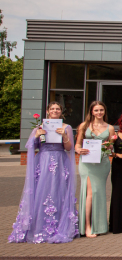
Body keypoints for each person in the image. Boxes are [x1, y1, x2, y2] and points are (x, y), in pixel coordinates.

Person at [9, 102, 79, 243]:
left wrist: (64, 136)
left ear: (61, 112)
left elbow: (69, 147)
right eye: (52, 109)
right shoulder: (40, 127)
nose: (55, 111)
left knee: (59, 190)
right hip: (43, 160)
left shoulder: (66, 127)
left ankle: (60, 226)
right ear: (47, 111)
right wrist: (36, 135)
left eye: (57, 109)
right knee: (42, 190)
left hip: (60, 161)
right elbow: (31, 146)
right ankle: (38, 226)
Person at [75, 100, 113, 237]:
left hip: (102, 163)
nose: (99, 112)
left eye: (101, 110)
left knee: (99, 193)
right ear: (91, 111)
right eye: (96, 110)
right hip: (87, 163)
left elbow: (110, 148)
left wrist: (108, 146)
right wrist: (79, 150)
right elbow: (77, 144)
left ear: (104, 111)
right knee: (90, 193)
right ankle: (87, 226)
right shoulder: (84, 126)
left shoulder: (110, 128)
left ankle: (99, 226)